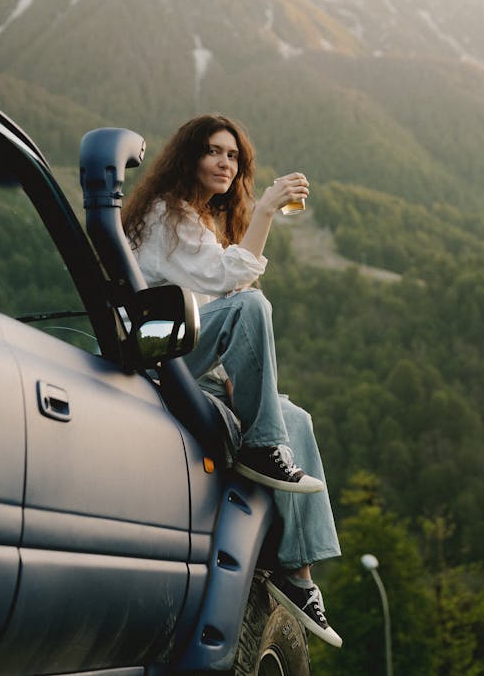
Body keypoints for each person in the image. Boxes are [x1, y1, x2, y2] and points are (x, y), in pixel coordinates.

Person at [122, 114, 342, 648]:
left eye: (233, 157)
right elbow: (233, 280)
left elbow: (228, 275)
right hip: (161, 356)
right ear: (189, 158)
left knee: (298, 420)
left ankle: (298, 576)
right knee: (251, 306)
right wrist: (266, 209)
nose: (225, 163)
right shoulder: (164, 214)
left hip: (191, 359)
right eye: (213, 152)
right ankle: (263, 447)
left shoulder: (197, 219)